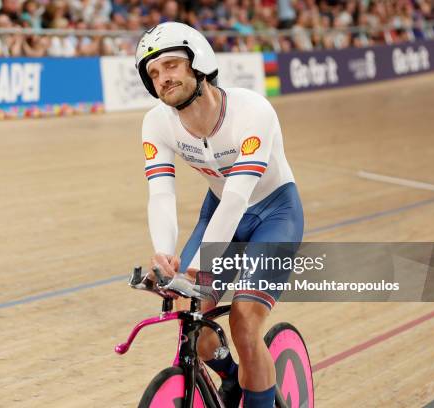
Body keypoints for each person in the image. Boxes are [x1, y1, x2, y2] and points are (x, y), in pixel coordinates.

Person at [135, 22, 303, 408]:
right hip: (219, 214)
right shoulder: (156, 123)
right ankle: (232, 376)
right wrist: (165, 256)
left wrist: (193, 264)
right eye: (154, 73)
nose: (162, 78)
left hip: (274, 212)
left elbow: (237, 198)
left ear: (199, 62)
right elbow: (160, 193)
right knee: (190, 317)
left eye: (171, 65)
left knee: (244, 322)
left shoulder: (253, 111)